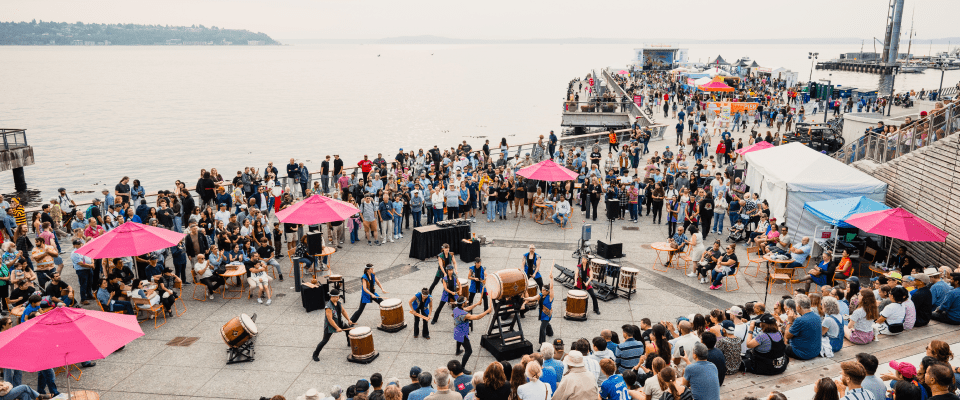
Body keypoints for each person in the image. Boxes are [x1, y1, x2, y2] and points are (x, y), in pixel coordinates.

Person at [312, 289, 356, 361]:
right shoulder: (328, 307)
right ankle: (315, 354)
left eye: (338, 296)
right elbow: (330, 320)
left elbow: (343, 311)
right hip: (330, 326)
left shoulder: (338, 303)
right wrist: (337, 328)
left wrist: (349, 319)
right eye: (336, 297)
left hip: (339, 322)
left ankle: (349, 343)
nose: (337, 298)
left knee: (348, 330)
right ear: (331, 297)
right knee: (325, 340)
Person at [452, 297, 492, 372]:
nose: (467, 301)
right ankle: (462, 368)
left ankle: (457, 351)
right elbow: (477, 317)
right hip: (462, 334)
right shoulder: (464, 315)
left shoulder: (456, 309)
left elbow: (467, 308)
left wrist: (476, 304)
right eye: (465, 301)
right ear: (463, 303)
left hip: (457, 331)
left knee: (459, 340)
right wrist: (487, 311)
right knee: (469, 351)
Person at [521, 269, 555, 345]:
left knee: (542, 329)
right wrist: (524, 299)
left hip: (547, 314)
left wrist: (551, 279)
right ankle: (550, 333)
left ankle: (542, 344)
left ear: (547, 291)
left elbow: (552, 288)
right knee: (546, 324)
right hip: (542, 314)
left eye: (543, 290)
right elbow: (532, 298)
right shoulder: (540, 295)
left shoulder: (550, 297)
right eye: (542, 290)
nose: (541, 291)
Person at [784, 294, 822, 360]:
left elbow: (787, 336)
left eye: (796, 305)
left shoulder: (800, 320)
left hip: (802, 353)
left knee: (779, 346)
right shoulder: (817, 316)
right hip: (815, 351)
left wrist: (789, 321)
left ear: (799, 307)